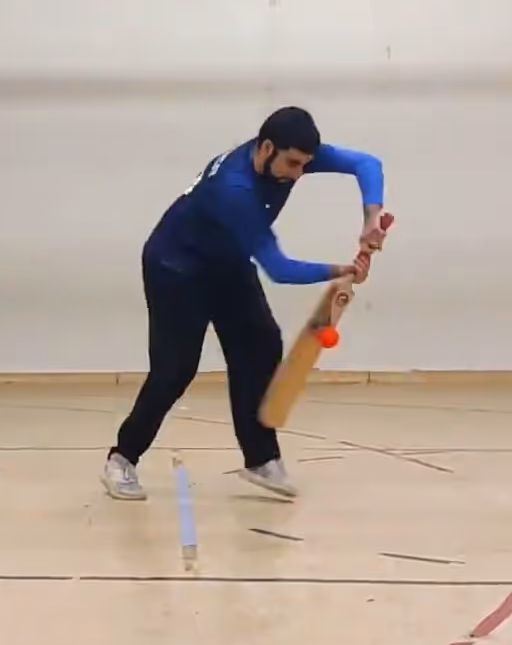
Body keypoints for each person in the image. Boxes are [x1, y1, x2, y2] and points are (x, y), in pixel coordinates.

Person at [101, 106, 388, 502]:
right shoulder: (235, 192)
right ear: (267, 148)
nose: (299, 173)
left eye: (307, 164)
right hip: (175, 267)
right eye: (293, 163)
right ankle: (122, 458)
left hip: (226, 261)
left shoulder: (289, 154)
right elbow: (279, 268)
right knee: (175, 370)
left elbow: (367, 163)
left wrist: (371, 216)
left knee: (262, 344)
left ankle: (260, 458)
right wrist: (342, 270)